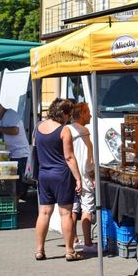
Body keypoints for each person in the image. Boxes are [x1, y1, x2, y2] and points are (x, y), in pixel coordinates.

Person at [34, 98, 83, 262]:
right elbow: (69, 157)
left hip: (44, 175)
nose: (69, 118)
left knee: (44, 213)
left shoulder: (38, 128)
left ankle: (39, 250)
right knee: (66, 213)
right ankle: (69, 251)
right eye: (69, 115)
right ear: (64, 113)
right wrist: (78, 178)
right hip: (61, 175)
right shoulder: (64, 130)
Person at [68, 102, 97, 253]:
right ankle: (88, 242)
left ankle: (73, 239)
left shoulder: (67, 130)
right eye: (88, 112)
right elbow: (89, 157)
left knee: (73, 208)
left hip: (71, 173)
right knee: (87, 207)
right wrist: (92, 174)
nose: (90, 115)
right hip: (83, 174)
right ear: (81, 114)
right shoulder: (83, 131)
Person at [0, 101, 30, 198]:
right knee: (12, 182)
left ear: (0, 108)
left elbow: (15, 130)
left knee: (17, 183)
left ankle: (16, 205)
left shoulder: (11, 115)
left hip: (20, 154)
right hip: (11, 154)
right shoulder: (2, 118)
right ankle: (14, 202)